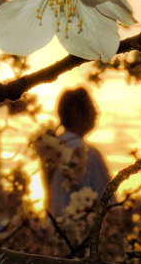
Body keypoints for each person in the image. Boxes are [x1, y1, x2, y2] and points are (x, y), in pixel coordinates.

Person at [45, 87, 112, 220]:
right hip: (84, 231)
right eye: (92, 106)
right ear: (75, 112)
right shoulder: (87, 153)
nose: (96, 112)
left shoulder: (50, 152)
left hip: (57, 229)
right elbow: (106, 201)